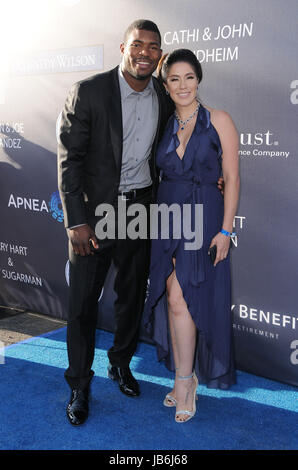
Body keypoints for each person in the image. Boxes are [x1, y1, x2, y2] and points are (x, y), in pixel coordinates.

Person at [58, 20, 223, 426]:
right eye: (138, 45)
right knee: (82, 304)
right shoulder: (90, 91)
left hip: (142, 210)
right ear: (123, 47)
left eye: (153, 47)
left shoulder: (164, 97)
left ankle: (119, 364)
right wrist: (75, 221)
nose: (145, 52)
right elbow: (69, 159)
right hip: (96, 216)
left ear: (159, 55)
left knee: (132, 297)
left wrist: (212, 175)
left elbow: (188, 138)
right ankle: (79, 384)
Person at [144, 49, 240, 423]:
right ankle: (183, 377)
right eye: (173, 79)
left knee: (184, 295)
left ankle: (185, 381)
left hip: (204, 216)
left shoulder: (220, 120)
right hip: (167, 215)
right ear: (165, 86)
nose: (182, 85)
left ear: (198, 80)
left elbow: (231, 177)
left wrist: (226, 230)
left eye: (189, 77)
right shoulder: (162, 125)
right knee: (171, 296)